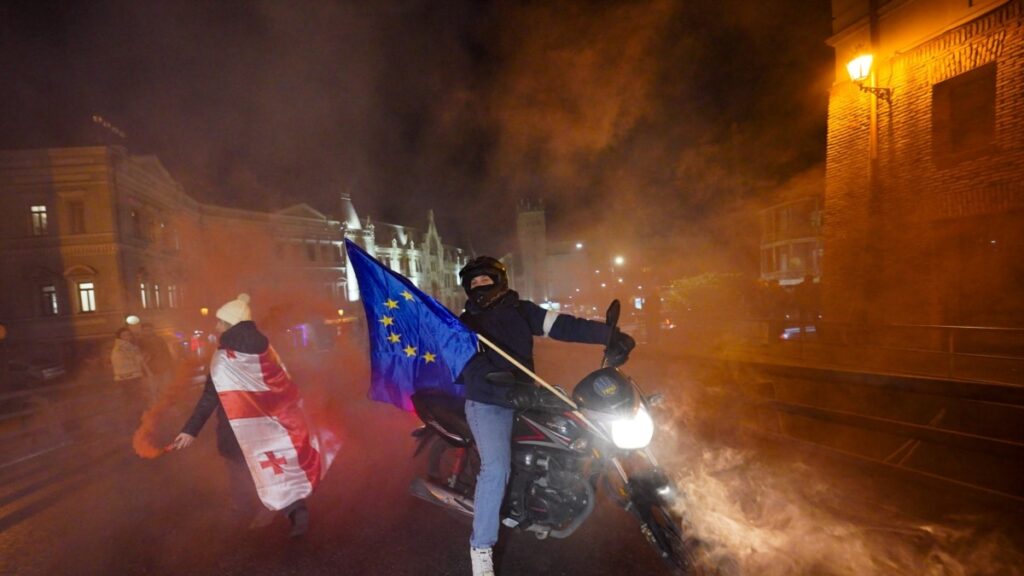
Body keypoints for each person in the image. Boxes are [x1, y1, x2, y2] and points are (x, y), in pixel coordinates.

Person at [456, 256, 635, 576]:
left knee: (576, 424)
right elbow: (470, 366)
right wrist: (505, 391)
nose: (480, 285)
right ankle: (481, 550)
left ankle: (543, 497)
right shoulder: (464, 323)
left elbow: (564, 325)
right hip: (489, 401)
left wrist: (608, 334)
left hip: (526, 394)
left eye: (486, 279)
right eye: (474, 282)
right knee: (496, 468)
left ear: (499, 280)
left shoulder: (521, 310)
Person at [170, 294, 311, 538]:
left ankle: (244, 513)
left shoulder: (224, 358)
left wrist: (190, 430)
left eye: (220, 322)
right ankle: (295, 511)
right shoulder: (267, 350)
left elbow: (210, 397)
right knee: (276, 468)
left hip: (237, 427)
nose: (216, 326)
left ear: (230, 324)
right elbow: (284, 383)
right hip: (271, 423)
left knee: (240, 470)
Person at [110, 327, 150, 408]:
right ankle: (140, 414)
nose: (127, 337)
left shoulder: (118, 347)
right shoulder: (126, 346)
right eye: (124, 335)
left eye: (129, 335)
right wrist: (146, 356)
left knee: (129, 399)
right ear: (119, 337)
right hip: (131, 377)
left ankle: (132, 414)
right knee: (137, 399)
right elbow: (138, 360)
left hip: (122, 378)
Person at [138, 323, 174, 402]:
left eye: (149, 330)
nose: (148, 332)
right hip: (150, 369)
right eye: (145, 330)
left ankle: (164, 401)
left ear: (153, 330)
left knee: (165, 386)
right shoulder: (140, 341)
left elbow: (166, 351)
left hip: (164, 367)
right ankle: (155, 403)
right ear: (142, 331)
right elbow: (140, 355)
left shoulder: (160, 339)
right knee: (153, 388)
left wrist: (170, 363)